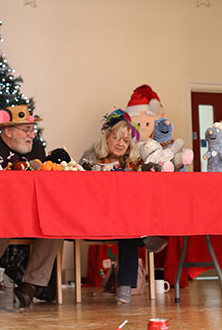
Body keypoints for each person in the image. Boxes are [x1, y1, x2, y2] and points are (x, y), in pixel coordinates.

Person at [0, 104, 63, 308]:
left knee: (56, 226)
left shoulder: (37, 150)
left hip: (30, 214)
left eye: (32, 130)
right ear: (8, 131)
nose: (31, 135)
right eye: (26, 130)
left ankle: (30, 286)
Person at [79, 109, 167, 303]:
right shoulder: (90, 159)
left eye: (126, 141)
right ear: (107, 138)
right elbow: (80, 188)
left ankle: (125, 286)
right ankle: (147, 237)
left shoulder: (133, 164)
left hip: (123, 220)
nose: (121, 144)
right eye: (116, 138)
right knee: (131, 227)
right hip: (96, 217)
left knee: (129, 227)